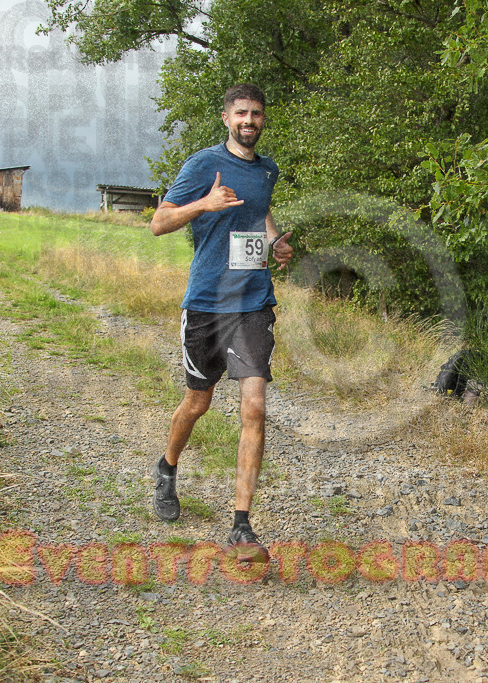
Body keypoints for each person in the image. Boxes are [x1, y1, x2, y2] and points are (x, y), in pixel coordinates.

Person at [149, 84, 292, 562]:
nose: (249, 120)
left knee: (254, 406)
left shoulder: (268, 169)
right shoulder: (201, 165)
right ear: (226, 118)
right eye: (241, 113)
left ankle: (242, 525)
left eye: (256, 113)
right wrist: (202, 206)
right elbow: (159, 221)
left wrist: (274, 243)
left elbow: (259, 212)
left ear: (263, 119)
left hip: (252, 303)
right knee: (197, 402)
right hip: (206, 303)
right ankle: (167, 467)